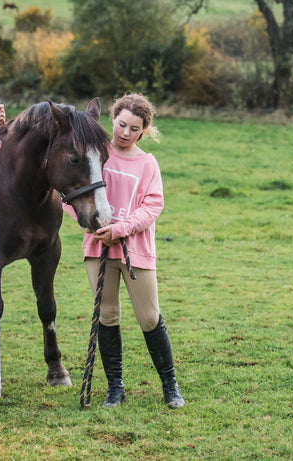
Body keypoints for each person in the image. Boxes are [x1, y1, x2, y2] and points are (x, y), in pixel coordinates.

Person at [67, 93, 185, 409]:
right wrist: (92, 226)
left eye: (134, 129)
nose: (125, 133)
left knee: (148, 316)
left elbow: (152, 205)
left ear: (143, 130)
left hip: (135, 249)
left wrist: (121, 229)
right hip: (97, 248)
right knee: (107, 315)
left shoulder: (148, 164)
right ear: (113, 119)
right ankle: (115, 388)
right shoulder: (95, 152)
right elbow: (70, 193)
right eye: (121, 125)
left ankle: (169, 384)